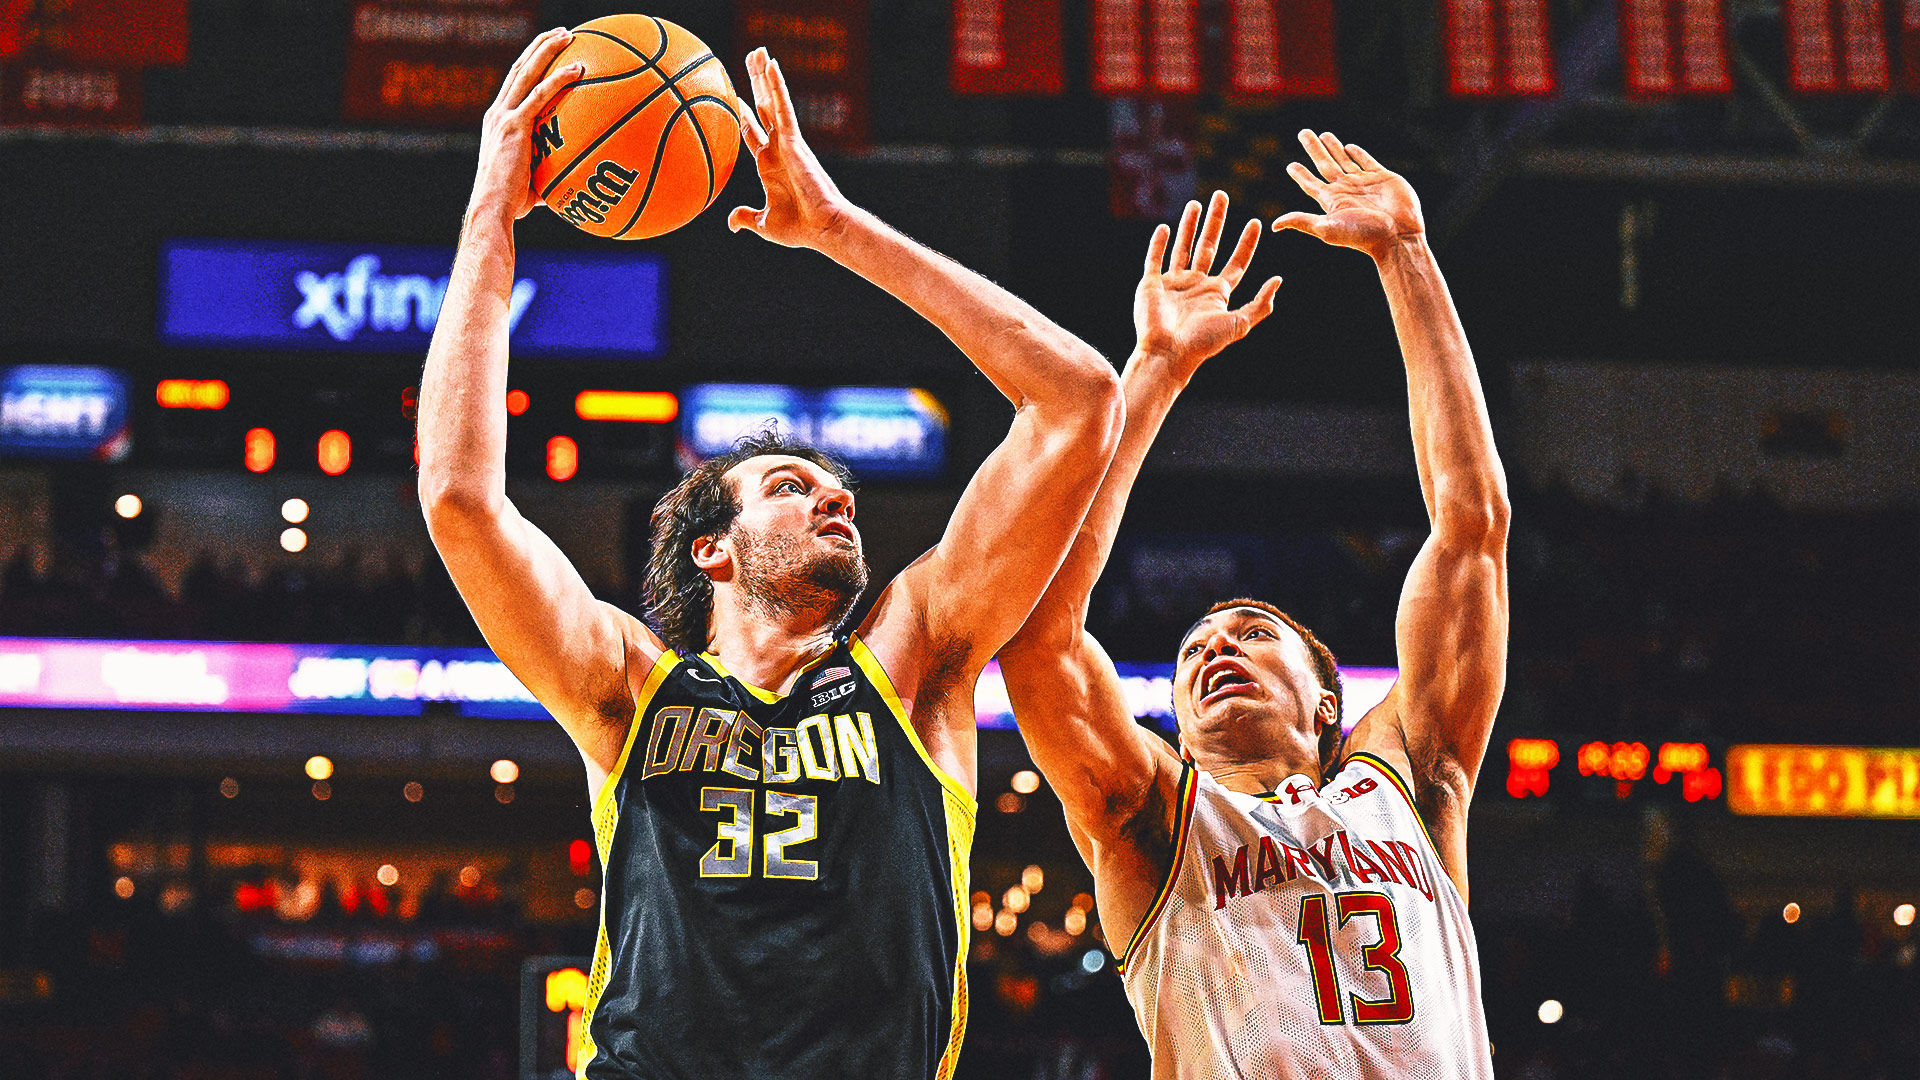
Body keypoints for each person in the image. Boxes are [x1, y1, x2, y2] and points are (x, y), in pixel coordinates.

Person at [417, 33, 1123, 1080]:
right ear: (711, 548)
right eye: (789, 486)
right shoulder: (629, 688)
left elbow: (1079, 402)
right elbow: (460, 499)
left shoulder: (914, 662)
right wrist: (491, 213)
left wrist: (840, 229)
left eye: (836, 490)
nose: (835, 496)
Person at [999, 132, 1508, 1079]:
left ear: (1329, 705)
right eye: (1194, 650)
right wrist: (1156, 367)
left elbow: (1471, 524)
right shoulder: (1154, 817)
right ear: (1179, 727)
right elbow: (1042, 640)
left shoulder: (1409, 782)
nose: (1213, 651)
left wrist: (1407, 256)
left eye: (1252, 633)